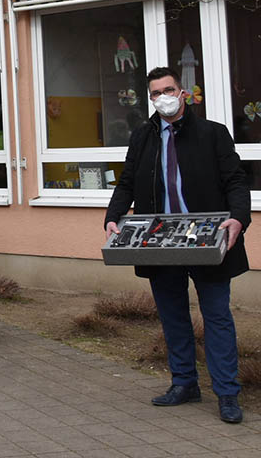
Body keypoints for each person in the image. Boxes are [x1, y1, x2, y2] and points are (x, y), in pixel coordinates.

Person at [105, 66, 250, 423]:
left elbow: (235, 181)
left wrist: (238, 218)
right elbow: (126, 183)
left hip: (208, 238)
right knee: (172, 316)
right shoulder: (142, 137)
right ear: (150, 98)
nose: (163, 98)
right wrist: (114, 215)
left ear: (182, 92)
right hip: (158, 240)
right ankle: (184, 383)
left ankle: (227, 393)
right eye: (156, 93)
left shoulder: (213, 134)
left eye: (168, 90)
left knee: (217, 317)